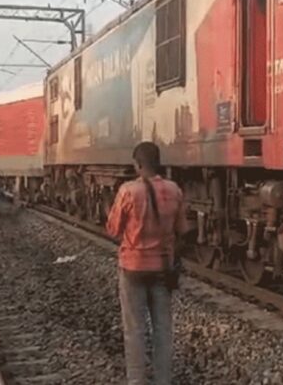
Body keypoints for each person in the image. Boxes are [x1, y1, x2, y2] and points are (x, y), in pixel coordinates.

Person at [106, 142, 189, 385]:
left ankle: (137, 381)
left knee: (135, 331)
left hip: (133, 268)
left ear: (138, 164)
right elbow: (183, 229)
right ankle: (163, 380)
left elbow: (112, 229)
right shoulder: (175, 190)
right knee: (163, 330)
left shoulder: (128, 191)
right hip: (163, 269)